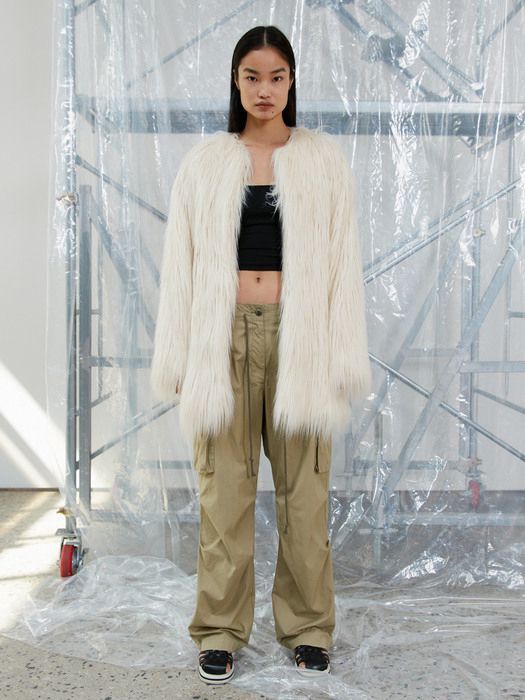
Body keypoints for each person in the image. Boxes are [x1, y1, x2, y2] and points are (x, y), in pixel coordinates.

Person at [150, 25, 372, 686]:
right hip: (221, 340)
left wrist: (341, 355)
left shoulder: (320, 159)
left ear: (291, 81)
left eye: (276, 77)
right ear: (236, 81)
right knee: (224, 493)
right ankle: (219, 630)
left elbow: (342, 263)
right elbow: (181, 266)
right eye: (252, 76)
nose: (265, 89)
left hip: (302, 340)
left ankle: (308, 629)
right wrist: (182, 357)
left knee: (305, 496)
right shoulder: (207, 163)